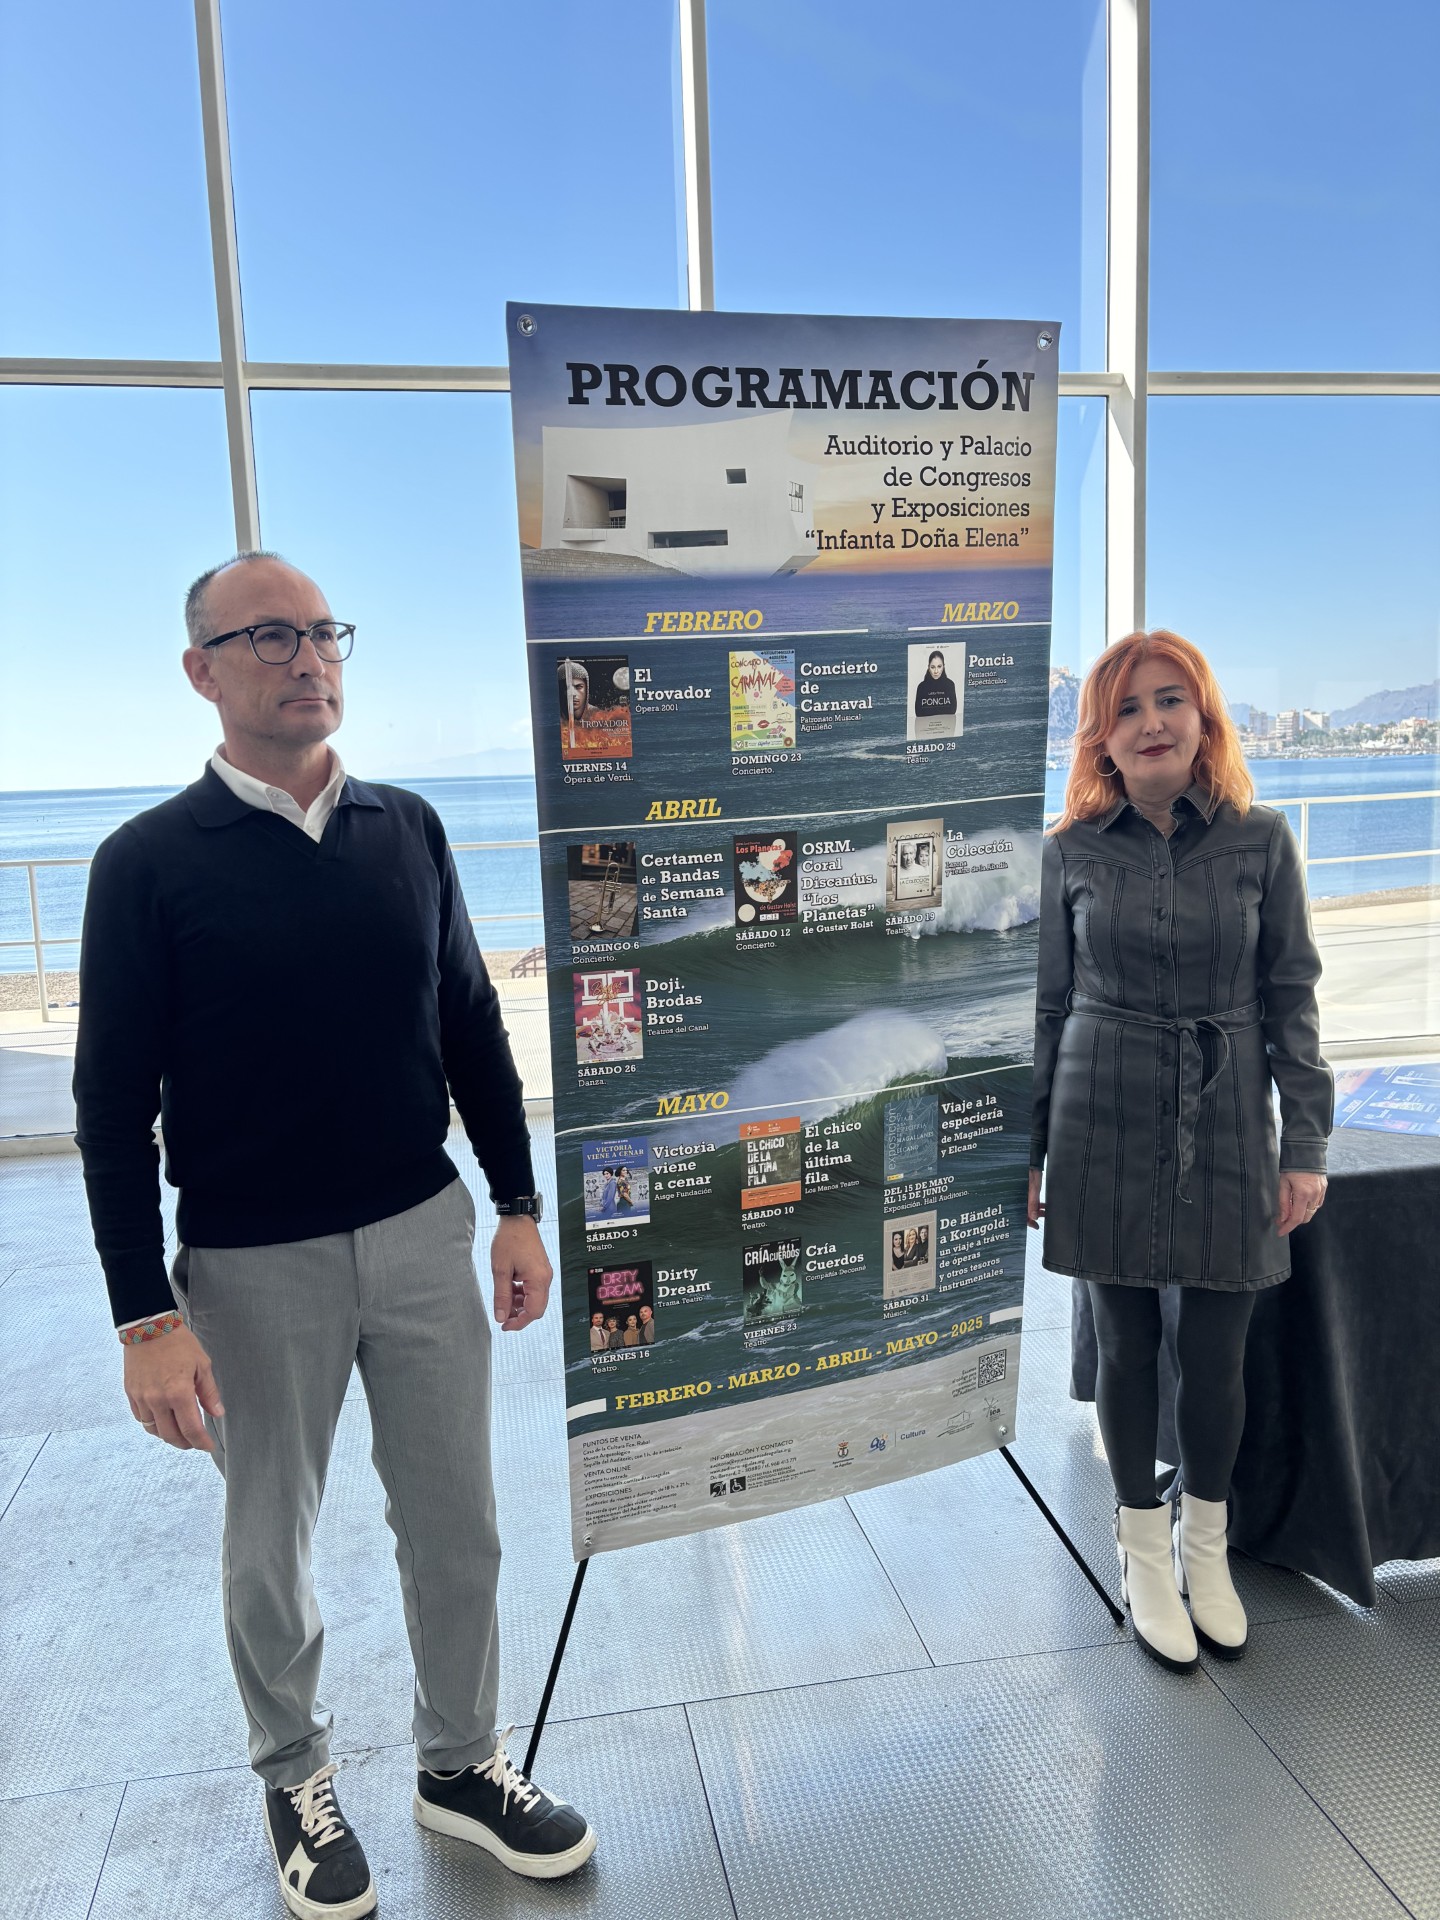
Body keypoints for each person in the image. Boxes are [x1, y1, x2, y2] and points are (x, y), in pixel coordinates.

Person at [74, 553, 596, 1920]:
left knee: (459, 1525)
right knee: (270, 1545)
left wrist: (518, 1207)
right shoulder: (142, 866)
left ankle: (462, 1764)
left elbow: (473, 1024)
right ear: (202, 671)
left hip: (424, 1232)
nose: (307, 659)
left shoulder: (408, 829)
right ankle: (294, 1773)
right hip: (250, 1265)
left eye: (322, 634)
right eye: (268, 638)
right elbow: (111, 1105)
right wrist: (146, 1314)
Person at [1029, 630, 1330, 1673]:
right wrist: (1027, 1148)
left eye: (1171, 701)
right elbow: (1047, 1006)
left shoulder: (1261, 841)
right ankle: (1139, 1546)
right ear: (1102, 738)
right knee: (1124, 1342)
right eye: (1129, 709)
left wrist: (1309, 1141)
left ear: (1203, 719)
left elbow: (1292, 998)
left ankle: (1208, 1547)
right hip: (1098, 1101)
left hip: (1232, 1112)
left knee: (1216, 1349)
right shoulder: (1069, 851)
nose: (1152, 723)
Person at [913, 648, 959, 721]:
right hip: (926, 729)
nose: (936, 671)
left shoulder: (950, 685)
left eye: (939, 666)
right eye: (932, 667)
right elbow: (919, 713)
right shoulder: (921, 687)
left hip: (945, 727)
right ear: (928, 667)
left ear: (943, 666)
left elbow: (952, 711)